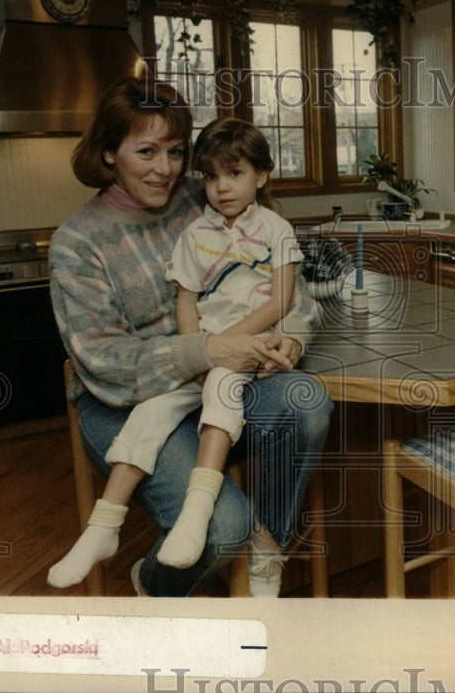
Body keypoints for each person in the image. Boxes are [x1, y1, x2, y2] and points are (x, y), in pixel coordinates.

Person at [46, 76, 332, 597]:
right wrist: (204, 350)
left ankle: (270, 543)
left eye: (176, 152)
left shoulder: (201, 199)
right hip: (125, 400)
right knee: (221, 530)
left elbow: (290, 287)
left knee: (306, 399)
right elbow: (100, 357)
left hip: (225, 370)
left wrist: (291, 333)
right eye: (146, 151)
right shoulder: (77, 242)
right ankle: (152, 583)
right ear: (109, 152)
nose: (165, 169)